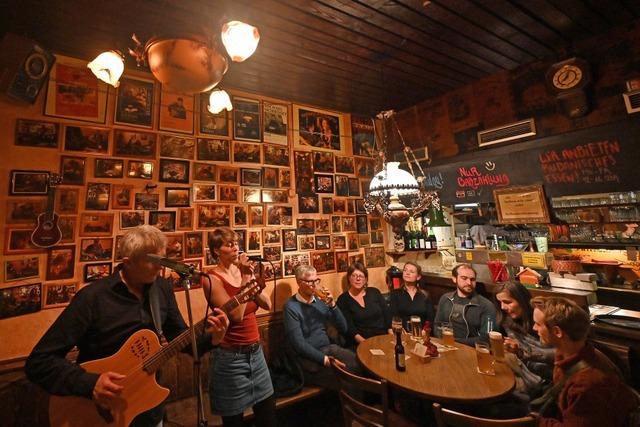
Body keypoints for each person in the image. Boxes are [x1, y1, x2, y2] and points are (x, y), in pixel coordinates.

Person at [25, 225, 229, 426]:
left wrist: (213, 338)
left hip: (148, 409)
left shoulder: (161, 288)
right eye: (153, 261)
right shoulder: (92, 298)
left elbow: (181, 338)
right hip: (98, 412)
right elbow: (39, 362)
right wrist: (90, 383)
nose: (161, 266)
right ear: (128, 263)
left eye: (163, 258)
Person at [203, 227, 276, 427]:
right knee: (234, 421)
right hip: (230, 359)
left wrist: (250, 279)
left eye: (236, 243)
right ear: (217, 250)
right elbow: (236, 315)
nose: (236, 248)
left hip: (256, 353)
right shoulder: (210, 279)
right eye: (229, 244)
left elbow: (267, 304)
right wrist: (246, 280)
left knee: (268, 416)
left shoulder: (244, 272)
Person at [531, 296, 638, 426]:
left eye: (538, 324)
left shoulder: (586, 383)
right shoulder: (567, 353)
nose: (533, 328)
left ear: (557, 332)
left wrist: (536, 421)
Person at [283, 265, 360, 390]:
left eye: (316, 280)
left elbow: (344, 328)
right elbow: (298, 344)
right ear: (299, 282)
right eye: (310, 281)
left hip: (329, 349)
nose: (314, 285)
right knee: (346, 378)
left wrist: (333, 305)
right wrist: (325, 360)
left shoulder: (320, 302)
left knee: (360, 364)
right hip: (308, 360)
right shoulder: (290, 307)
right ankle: (354, 409)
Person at [496, 282, 554, 397]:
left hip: (546, 382)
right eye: (500, 303)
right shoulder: (507, 321)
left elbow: (558, 353)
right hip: (522, 375)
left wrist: (521, 352)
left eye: (507, 302)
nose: (502, 307)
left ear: (522, 300)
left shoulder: (541, 319)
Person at [434, 263, 496, 346]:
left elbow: (487, 338)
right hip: (444, 346)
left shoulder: (486, 305)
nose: (469, 283)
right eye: (464, 278)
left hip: (472, 351)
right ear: (454, 279)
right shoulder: (445, 298)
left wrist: (454, 342)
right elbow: (437, 325)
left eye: (472, 279)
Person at [337, 262, 390, 348]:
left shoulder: (374, 292)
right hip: (361, 342)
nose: (357, 279)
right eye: (354, 276)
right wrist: (367, 345)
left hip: (383, 338)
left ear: (365, 279)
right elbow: (350, 329)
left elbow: (387, 315)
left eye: (361, 276)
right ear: (349, 279)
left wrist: (392, 338)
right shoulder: (343, 300)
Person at [390, 262, 434, 332]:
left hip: (422, 334)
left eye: (411, 271)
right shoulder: (395, 294)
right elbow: (393, 317)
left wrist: (425, 331)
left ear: (418, 277)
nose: (407, 273)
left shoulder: (425, 295)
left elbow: (430, 318)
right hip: (402, 334)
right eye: (405, 270)